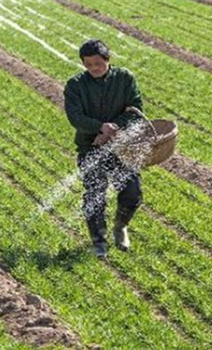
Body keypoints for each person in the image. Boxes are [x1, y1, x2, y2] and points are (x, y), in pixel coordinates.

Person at [63, 39, 144, 259]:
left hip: (121, 146)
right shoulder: (75, 85)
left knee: (132, 192)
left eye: (98, 63)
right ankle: (98, 242)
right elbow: (75, 117)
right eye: (88, 65)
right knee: (95, 196)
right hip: (91, 148)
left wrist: (112, 128)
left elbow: (135, 109)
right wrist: (99, 128)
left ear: (108, 59)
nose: (94, 69)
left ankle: (120, 227)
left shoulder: (125, 79)